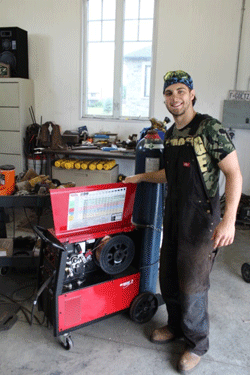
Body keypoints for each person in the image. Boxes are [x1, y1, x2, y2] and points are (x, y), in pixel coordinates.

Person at [124, 70, 242, 373]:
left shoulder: (209, 128)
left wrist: (228, 221)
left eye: (180, 91)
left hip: (201, 219)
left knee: (193, 284)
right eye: (168, 93)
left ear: (191, 94)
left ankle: (196, 343)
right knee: (170, 277)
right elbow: (170, 174)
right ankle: (175, 327)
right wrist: (141, 177)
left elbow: (234, 174)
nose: (174, 98)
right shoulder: (172, 134)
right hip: (174, 214)